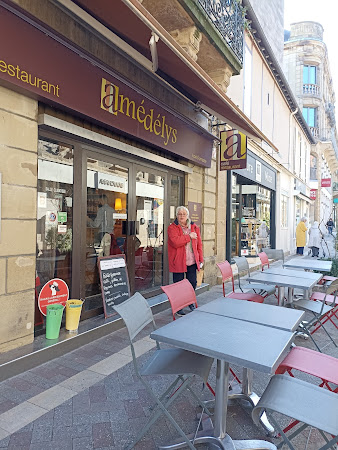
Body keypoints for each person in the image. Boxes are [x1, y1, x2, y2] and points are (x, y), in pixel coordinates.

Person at [168, 206, 203, 316]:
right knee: (178, 284)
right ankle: (179, 306)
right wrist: (189, 236)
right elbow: (175, 242)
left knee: (192, 283)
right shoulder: (172, 228)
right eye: (179, 214)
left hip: (192, 261)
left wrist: (201, 259)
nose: (182, 216)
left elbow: (199, 245)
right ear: (176, 216)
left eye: (184, 214)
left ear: (187, 215)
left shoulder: (194, 227)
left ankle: (190, 302)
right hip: (178, 261)